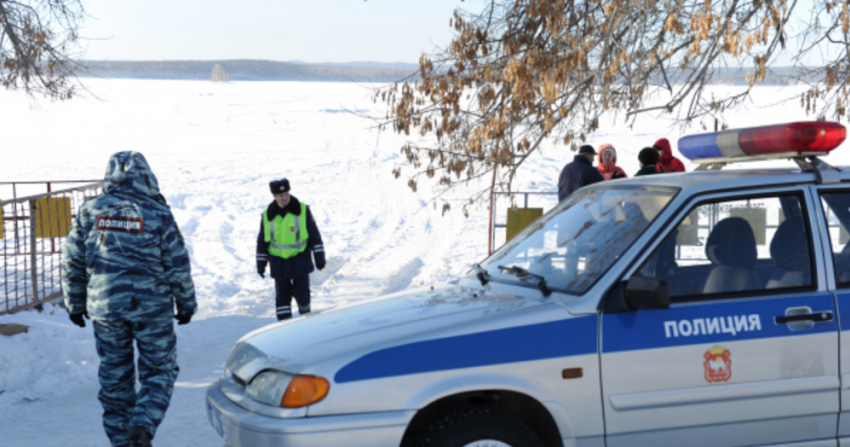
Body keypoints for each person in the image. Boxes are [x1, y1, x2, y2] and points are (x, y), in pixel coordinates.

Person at [63, 151, 196, 447]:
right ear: (147, 175)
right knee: (160, 370)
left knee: (115, 380)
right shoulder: (157, 212)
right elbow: (176, 262)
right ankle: (142, 426)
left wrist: (74, 303)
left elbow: (72, 260)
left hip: (106, 310)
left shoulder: (90, 211)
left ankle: (122, 443)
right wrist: (186, 303)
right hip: (152, 309)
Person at [257, 178, 325, 320]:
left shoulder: (302, 210)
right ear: (274, 196)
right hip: (279, 264)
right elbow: (262, 242)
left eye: (286, 193)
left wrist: (319, 258)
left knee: (303, 298)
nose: (285, 197)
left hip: (300, 261)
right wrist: (261, 265)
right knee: (282, 301)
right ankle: (284, 331)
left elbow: (314, 235)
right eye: (281, 195)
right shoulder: (267, 215)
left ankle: (305, 325)